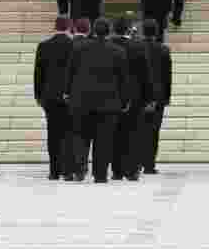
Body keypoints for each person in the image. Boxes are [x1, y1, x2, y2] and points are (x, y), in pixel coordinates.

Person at [65, 18, 129, 183]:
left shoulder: (78, 48)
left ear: (93, 30)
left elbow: (70, 73)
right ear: (108, 32)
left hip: (81, 101)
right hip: (108, 104)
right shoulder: (118, 51)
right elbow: (124, 80)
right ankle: (100, 174)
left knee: (80, 136)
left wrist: (67, 92)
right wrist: (124, 100)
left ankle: (79, 170)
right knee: (104, 140)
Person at [109, 16, 154, 181]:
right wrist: (149, 97)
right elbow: (146, 74)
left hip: (113, 95)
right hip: (135, 96)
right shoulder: (138, 46)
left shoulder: (110, 45)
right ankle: (132, 169)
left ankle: (117, 170)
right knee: (133, 134)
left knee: (115, 134)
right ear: (129, 29)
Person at [34, 18, 74, 180]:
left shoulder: (44, 46)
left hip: (49, 96)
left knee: (53, 134)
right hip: (68, 96)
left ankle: (54, 171)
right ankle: (67, 169)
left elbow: (38, 74)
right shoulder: (74, 45)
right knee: (68, 133)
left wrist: (38, 95)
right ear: (69, 27)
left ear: (54, 27)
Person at [140, 18, 171, 175]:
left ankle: (136, 161)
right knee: (153, 132)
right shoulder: (163, 50)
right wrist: (166, 98)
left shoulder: (136, 48)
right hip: (158, 96)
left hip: (139, 96)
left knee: (137, 130)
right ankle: (149, 164)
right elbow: (167, 76)